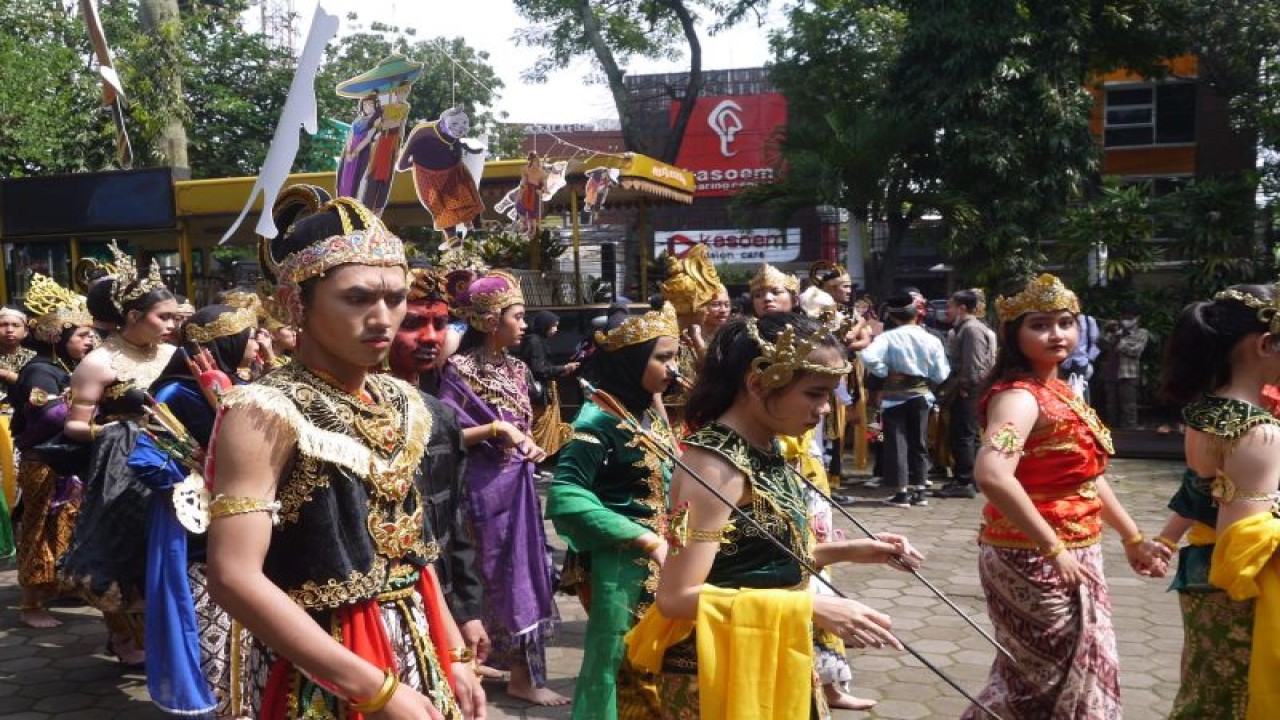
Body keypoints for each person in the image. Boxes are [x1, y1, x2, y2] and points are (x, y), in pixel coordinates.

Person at [205, 192, 481, 719]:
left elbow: (417, 552)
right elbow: (234, 577)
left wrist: (456, 653)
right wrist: (372, 690)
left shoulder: (402, 401)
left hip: (416, 643)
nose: (383, 319)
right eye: (356, 299)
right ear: (295, 304)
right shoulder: (264, 410)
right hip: (323, 660)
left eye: (395, 298)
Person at [625, 312, 921, 719]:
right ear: (758, 383)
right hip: (719, 670)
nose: (824, 410)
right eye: (814, 394)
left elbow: (760, 560)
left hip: (769, 646)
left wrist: (854, 550)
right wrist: (811, 609)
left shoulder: (766, 445)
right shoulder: (717, 466)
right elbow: (675, 598)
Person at [963, 274, 1169, 720]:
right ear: (1014, 334)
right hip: (1033, 557)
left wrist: (1132, 538)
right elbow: (993, 474)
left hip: (1075, 550)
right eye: (1039, 324)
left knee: (1069, 672)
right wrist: (1051, 548)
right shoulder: (1019, 397)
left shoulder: (1058, 390)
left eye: (1065, 322)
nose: (1057, 334)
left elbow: (1086, 476)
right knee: (1037, 684)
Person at [437, 270, 567, 706]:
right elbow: (448, 433)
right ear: (491, 321)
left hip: (519, 487)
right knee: (490, 574)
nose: (525, 325)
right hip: (480, 488)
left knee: (525, 572)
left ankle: (522, 672)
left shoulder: (518, 368)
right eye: (517, 316)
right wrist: (496, 429)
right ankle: (491, 662)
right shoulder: (457, 370)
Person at [545, 303, 680, 719]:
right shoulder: (596, 422)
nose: (673, 368)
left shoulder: (644, 412)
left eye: (674, 357)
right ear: (630, 361)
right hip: (622, 567)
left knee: (665, 666)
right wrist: (642, 538)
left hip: (667, 560)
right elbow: (565, 493)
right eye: (662, 358)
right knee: (619, 664)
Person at [1154, 285, 1280, 719]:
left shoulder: (1206, 411)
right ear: (1265, 344)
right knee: (1232, 699)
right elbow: (1243, 538)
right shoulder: (1259, 432)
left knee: (1207, 695)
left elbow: (1201, 489)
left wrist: (1168, 538)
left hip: (1204, 576)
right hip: (1240, 589)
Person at [131, 304, 258, 717]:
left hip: (249, 523)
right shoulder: (177, 394)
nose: (260, 344)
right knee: (213, 625)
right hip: (199, 533)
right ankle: (218, 704)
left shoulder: (240, 385)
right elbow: (146, 459)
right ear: (228, 342)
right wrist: (202, 473)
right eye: (251, 336)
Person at [61, 242, 178, 669]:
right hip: (123, 464)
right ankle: (123, 633)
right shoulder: (98, 362)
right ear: (132, 316)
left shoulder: (172, 354)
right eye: (163, 317)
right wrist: (108, 429)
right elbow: (73, 424)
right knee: (123, 549)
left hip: (178, 459)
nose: (171, 324)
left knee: (172, 547)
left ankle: (167, 631)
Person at [387, 264, 492, 668]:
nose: (431, 337)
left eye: (440, 323)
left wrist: (468, 610)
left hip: (441, 596)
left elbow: (453, 519)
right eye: (413, 323)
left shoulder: (440, 417)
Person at [10, 274, 96, 628]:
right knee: (37, 527)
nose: (89, 340)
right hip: (42, 462)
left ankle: (60, 584)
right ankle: (31, 603)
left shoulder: (66, 368)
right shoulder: (41, 372)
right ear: (56, 337)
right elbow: (47, 416)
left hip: (63, 460)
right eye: (81, 335)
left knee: (64, 523)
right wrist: (85, 410)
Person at [861, 293, 950, 508]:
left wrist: (885, 371)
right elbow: (942, 373)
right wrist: (926, 377)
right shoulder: (931, 338)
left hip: (894, 398)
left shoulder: (887, 337)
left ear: (892, 316)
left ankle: (901, 492)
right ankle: (920, 490)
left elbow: (867, 356)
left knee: (897, 443)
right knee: (919, 442)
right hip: (921, 396)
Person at [936, 289, 997, 499]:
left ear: (962, 308)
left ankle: (964, 481)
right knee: (969, 436)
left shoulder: (971, 329)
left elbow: (975, 366)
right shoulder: (966, 328)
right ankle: (971, 478)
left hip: (969, 389)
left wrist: (964, 387)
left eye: (950, 306)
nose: (947, 311)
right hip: (969, 388)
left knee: (963, 436)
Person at [660, 245, 726, 423]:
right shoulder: (667, 338)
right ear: (693, 306)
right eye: (707, 304)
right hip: (673, 422)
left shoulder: (692, 336)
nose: (709, 310)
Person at [516, 310, 579, 455]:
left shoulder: (538, 340)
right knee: (538, 426)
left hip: (543, 389)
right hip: (537, 394)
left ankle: (540, 459)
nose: (556, 329)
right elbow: (539, 369)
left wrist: (562, 370)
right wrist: (563, 367)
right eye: (553, 326)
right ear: (545, 325)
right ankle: (533, 459)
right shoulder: (534, 342)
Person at [1100, 303, 1150, 429]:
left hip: (1128, 374)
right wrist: (1106, 329)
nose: (1126, 320)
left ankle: (1131, 433)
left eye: (1130, 317)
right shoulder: (1116, 331)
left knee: (1129, 406)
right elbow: (1101, 344)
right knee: (1111, 406)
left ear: (1137, 318)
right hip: (1111, 372)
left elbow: (1135, 351)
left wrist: (1119, 337)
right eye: (1124, 317)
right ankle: (1113, 432)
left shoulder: (1141, 333)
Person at [1060, 311, 1100, 402]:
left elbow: (1096, 343)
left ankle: (1083, 414)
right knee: (1062, 391)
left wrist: (1089, 360)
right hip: (1063, 362)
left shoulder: (1088, 320)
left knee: (1081, 391)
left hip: (1082, 361)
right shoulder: (1061, 319)